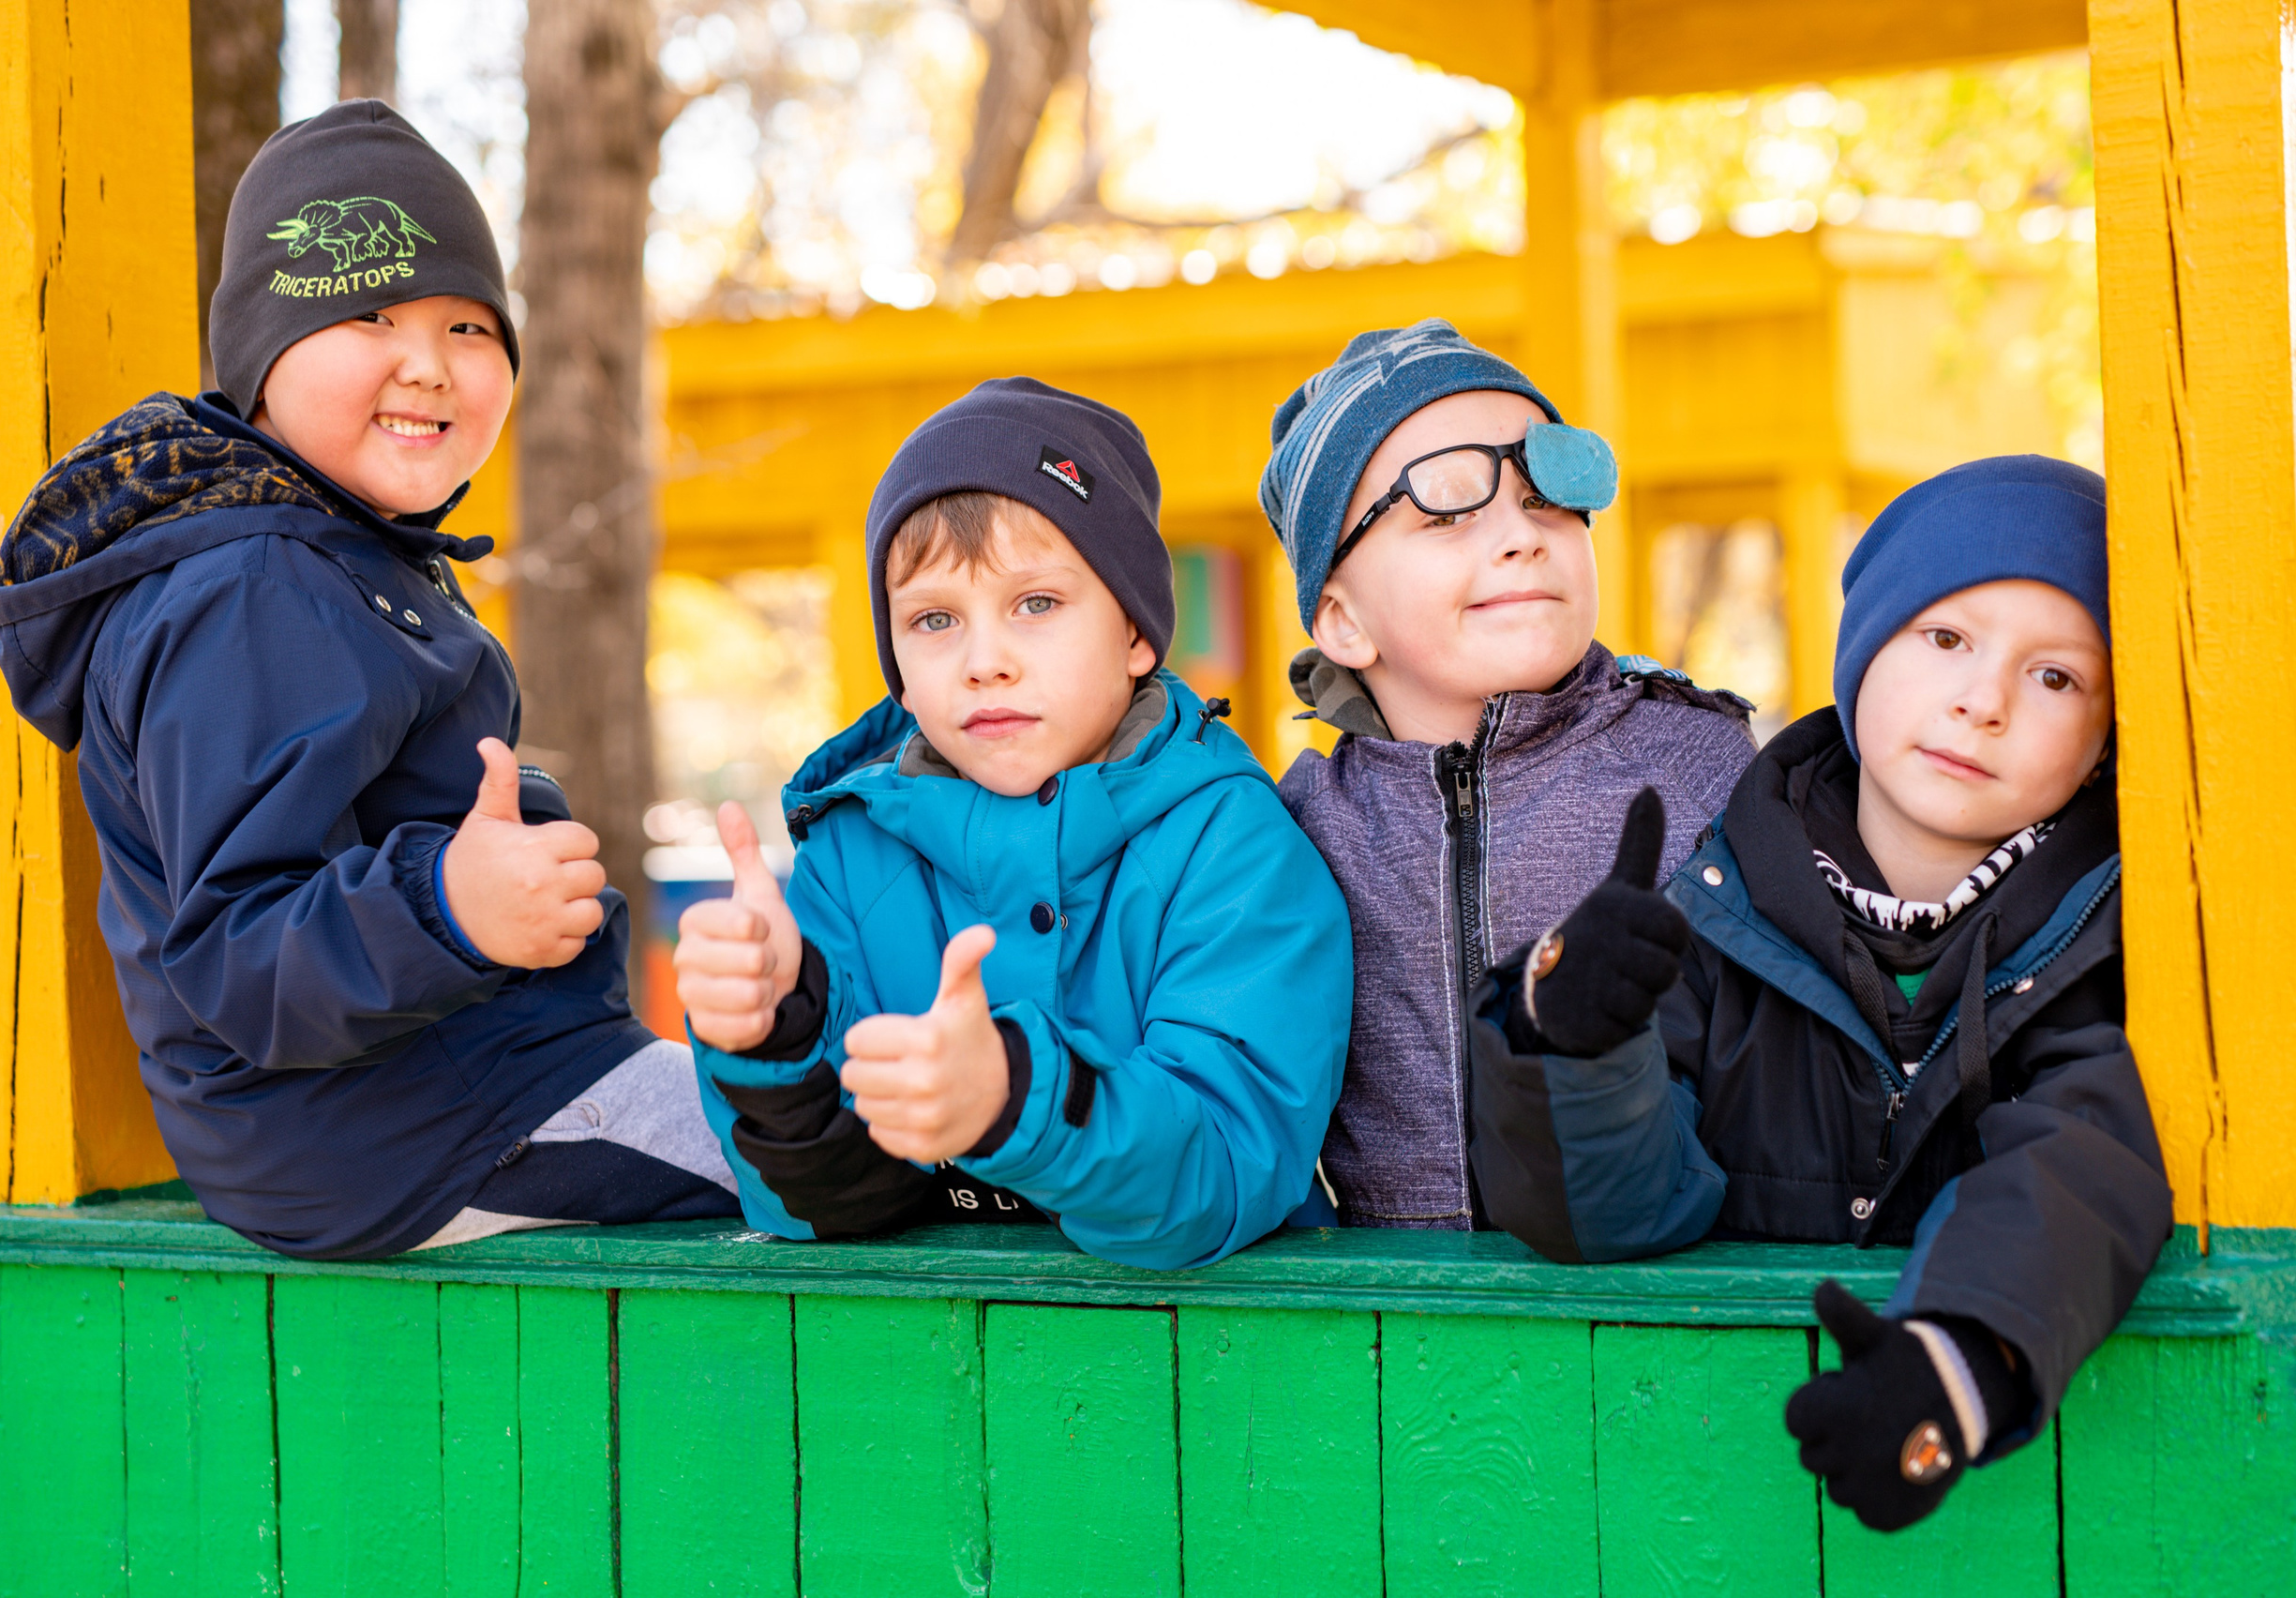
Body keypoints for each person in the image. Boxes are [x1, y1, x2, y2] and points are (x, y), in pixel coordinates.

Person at [0, 100, 740, 1259]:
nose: (427, 363)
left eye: (469, 327)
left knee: (855, 1117)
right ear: (260, 363)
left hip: (453, 1088)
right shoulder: (255, 586)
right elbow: (238, 951)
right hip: (399, 1128)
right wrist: (452, 906)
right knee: (865, 1149)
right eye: (368, 314)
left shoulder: (342, 558)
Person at [1472, 455, 2172, 1530]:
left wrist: (1959, 1361)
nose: (1982, 701)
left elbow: (2081, 1163)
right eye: (1946, 638)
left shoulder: (2109, 949)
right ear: (1864, 648)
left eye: (2054, 677)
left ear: (2103, 742)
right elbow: (1617, 1209)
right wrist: (1572, 1040)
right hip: (1695, 1490)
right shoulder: (1720, 909)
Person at [677, 378, 1352, 1269]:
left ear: (1136, 633)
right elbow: (817, 1210)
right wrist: (775, 1030)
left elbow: (1223, 1173)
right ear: (898, 668)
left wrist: (1012, 1097)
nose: (984, 661)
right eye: (934, 619)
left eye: (1036, 604)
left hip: (1205, 1346)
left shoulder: (1234, 847)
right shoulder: (849, 855)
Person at [1259, 319, 1756, 1229]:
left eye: (1545, 496)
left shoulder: (1703, 767)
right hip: (1387, 1311)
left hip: (1672, 1289)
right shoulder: (1289, 832)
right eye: (1446, 509)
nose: (1521, 535)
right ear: (1341, 621)